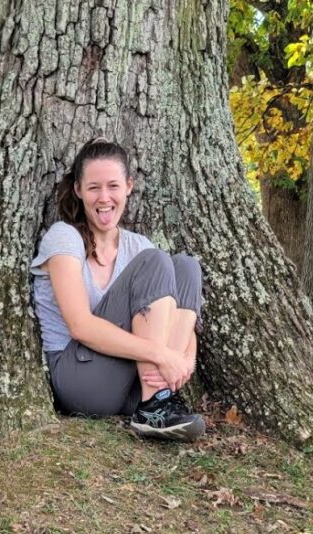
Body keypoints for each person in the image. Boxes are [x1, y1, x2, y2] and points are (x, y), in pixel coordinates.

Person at [30, 137, 206, 441]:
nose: (104, 197)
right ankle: (155, 405)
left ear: (129, 186)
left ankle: (159, 396)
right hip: (80, 376)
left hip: (128, 382)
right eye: (94, 187)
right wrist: (162, 355)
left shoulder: (138, 246)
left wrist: (185, 362)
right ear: (78, 190)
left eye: (113, 186)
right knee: (156, 261)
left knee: (186, 266)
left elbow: (180, 319)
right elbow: (80, 326)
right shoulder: (64, 238)